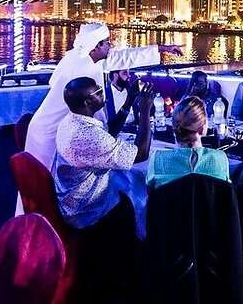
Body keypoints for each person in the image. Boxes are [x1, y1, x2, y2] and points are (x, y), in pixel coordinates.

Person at [24, 22, 182, 171]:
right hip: (49, 133)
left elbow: (123, 57)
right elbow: (92, 108)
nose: (110, 45)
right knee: (44, 186)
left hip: (64, 131)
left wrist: (163, 48)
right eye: (107, 42)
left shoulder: (85, 56)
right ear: (96, 46)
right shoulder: (81, 68)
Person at [51, 77, 153, 301]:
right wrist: (145, 111)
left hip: (74, 196)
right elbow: (142, 153)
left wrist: (129, 101)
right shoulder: (86, 136)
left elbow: (109, 133)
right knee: (140, 201)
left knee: (130, 187)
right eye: (98, 92)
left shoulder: (74, 120)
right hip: (87, 209)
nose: (102, 93)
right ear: (88, 101)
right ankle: (130, 277)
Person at [146, 96, 230, 189]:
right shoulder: (220, 159)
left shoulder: (158, 159)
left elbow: (151, 197)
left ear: (174, 128)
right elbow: (226, 196)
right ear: (202, 129)